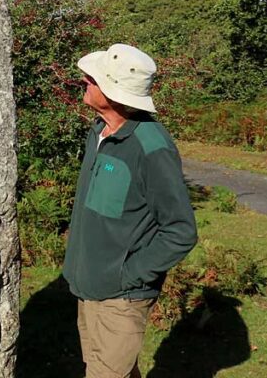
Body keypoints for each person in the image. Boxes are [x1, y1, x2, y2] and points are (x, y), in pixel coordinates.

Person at [62, 43, 198, 378]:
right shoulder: (100, 132)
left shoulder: (151, 148)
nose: (84, 80)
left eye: (93, 79)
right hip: (89, 289)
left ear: (113, 93)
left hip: (120, 298)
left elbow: (180, 231)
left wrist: (127, 276)